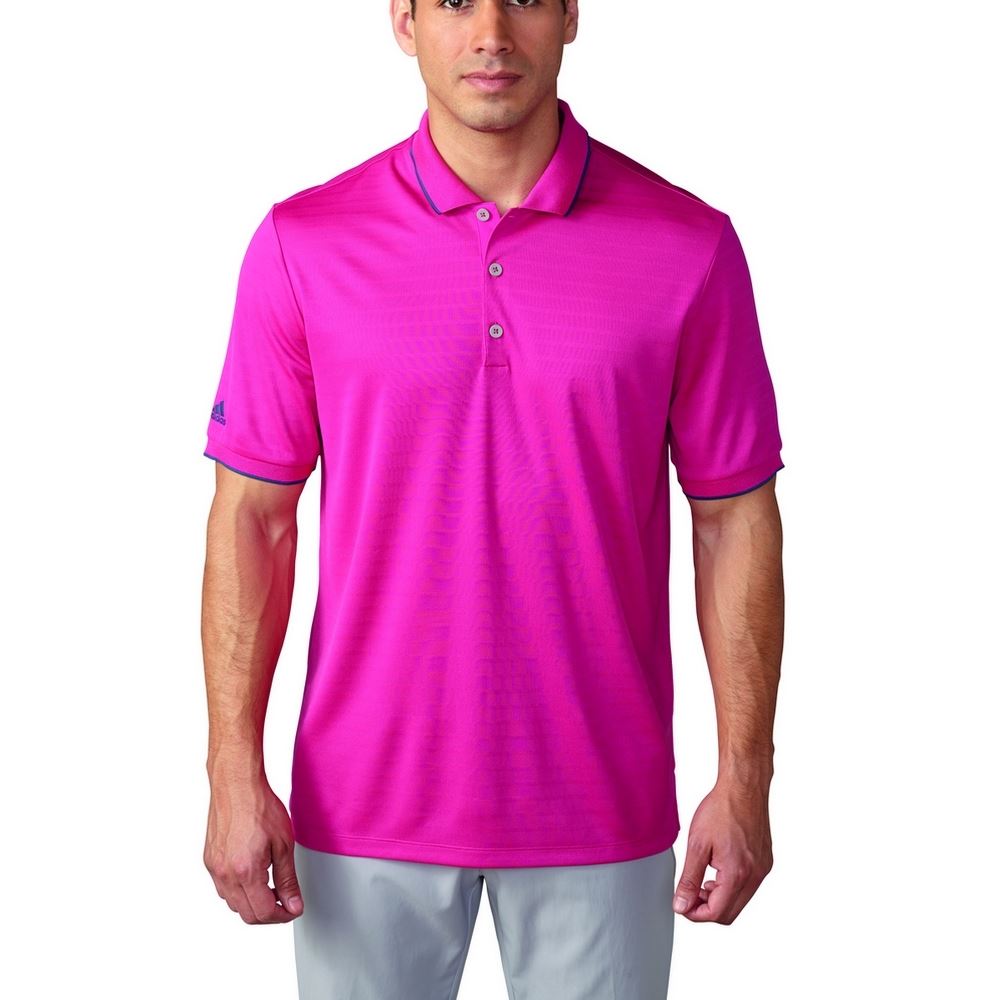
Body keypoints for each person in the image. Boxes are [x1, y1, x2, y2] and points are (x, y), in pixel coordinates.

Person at [200, 1, 786, 996]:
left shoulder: (688, 247)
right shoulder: (304, 244)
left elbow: (734, 519)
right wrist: (229, 769)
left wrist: (745, 777)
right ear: (403, 21)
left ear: (568, 15)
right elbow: (253, 518)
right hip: (361, 804)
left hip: (600, 804)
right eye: (454, 1)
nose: (491, 32)